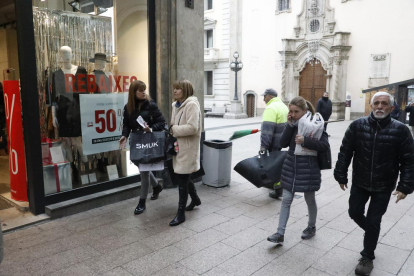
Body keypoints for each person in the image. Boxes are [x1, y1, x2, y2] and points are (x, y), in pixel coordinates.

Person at [334, 92, 414, 276]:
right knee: (354, 212)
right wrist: (341, 174)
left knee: (374, 220)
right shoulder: (356, 126)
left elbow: (409, 160)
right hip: (360, 182)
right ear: (371, 106)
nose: (380, 106)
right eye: (376, 103)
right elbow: (345, 151)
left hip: (383, 186)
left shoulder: (401, 130)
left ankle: (367, 256)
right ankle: (371, 231)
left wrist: (405, 186)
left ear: (391, 108)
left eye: (384, 104)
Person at [267, 96, 329, 245]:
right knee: (286, 200)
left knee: (309, 199)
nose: (293, 114)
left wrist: (306, 141)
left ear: (305, 111)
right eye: (291, 111)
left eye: (296, 112)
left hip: (308, 167)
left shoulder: (315, 125)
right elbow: (281, 143)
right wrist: (289, 125)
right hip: (291, 166)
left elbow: (324, 146)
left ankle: (311, 227)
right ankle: (280, 233)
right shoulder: (292, 124)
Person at [119, 80, 166, 215]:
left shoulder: (151, 105)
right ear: (134, 92)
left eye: (144, 89)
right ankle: (156, 187)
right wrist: (124, 136)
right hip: (137, 141)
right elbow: (126, 125)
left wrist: (150, 129)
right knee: (142, 167)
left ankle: (142, 201)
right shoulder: (128, 107)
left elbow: (162, 122)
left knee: (143, 172)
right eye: (140, 90)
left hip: (149, 140)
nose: (144, 92)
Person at [169, 79, 202, 226]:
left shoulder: (192, 105)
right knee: (183, 176)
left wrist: (174, 129)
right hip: (178, 146)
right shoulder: (175, 105)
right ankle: (195, 199)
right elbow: (172, 123)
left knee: (182, 179)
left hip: (188, 148)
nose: (175, 91)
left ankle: (180, 213)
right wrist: (172, 128)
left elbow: (193, 127)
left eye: (178, 89)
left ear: (186, 90)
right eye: (174, 88)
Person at [259, 88, 289, 199]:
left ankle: (277, 189)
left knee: (272, 167)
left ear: (270, 96)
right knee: (276, 164)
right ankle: (273, 185)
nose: (263, 99)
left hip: (272, 143)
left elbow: (267, 131)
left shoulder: (271, 108)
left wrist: (264, 146)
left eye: (264, 96)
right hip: (280, 142)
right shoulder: (283, 106)